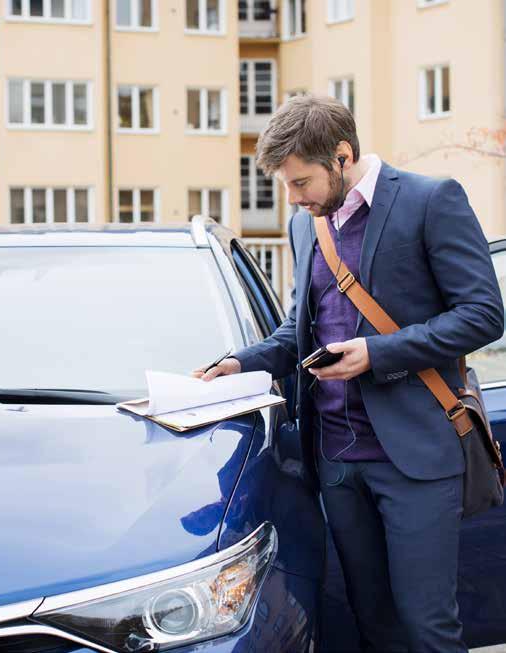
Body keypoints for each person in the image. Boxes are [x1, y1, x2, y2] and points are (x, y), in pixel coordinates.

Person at [193, 94, 504, 652]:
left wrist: (378, 353)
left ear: (341, 155)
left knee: (427, 626)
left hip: (415, 460)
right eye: (286, 185)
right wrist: (239, 363)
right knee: (373, 625)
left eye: (301, 182)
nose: (293, 197)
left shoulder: (431, 201)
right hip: (335, 463)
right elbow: (299, 331)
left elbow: (484, 314)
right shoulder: (306, 227)